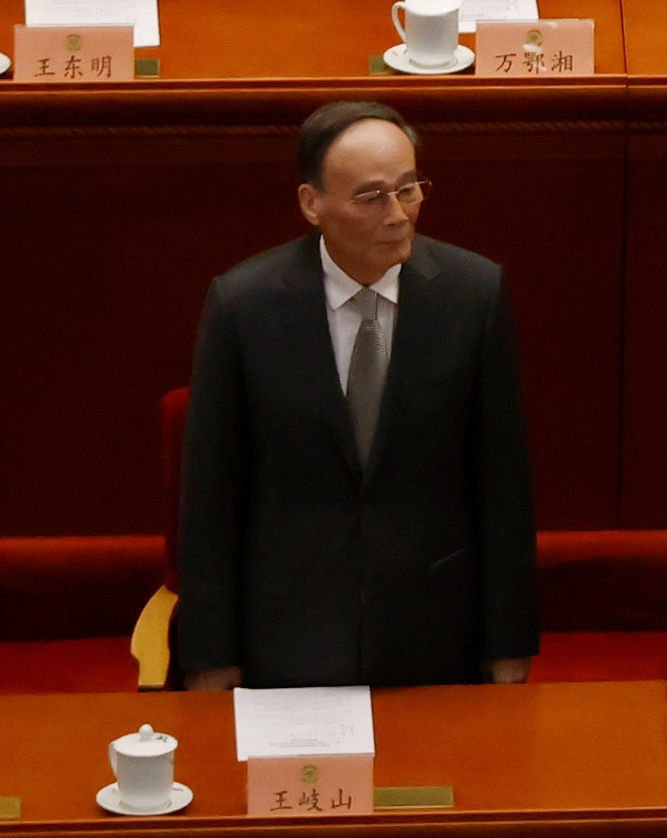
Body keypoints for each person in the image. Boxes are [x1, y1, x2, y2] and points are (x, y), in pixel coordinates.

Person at [170, 104, 537, 690]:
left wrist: (509, 646)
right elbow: (212, 493)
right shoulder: (244, 305)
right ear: (311, 203)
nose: (398, 215)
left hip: (436, 632)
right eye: (371, 198)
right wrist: (211, 656)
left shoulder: (474, 296)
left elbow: (502, 483)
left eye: (409, 189)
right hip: (287, 637)